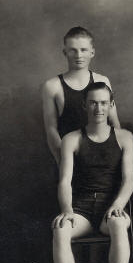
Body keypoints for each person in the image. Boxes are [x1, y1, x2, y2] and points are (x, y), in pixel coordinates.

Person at [52, 82, 133, 263]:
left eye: (103, 103)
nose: (98, 108)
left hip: (112, 207)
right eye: (93, 103)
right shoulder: (71, 139)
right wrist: (67, 209)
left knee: (119, 225)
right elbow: (65, 181)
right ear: (84, 105)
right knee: (60, 229)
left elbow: (128, 180)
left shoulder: (124, 137)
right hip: (82, 208)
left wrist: (118, 204)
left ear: (111, 105)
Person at [42, 26, 120, 166]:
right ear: (65, 52)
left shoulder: (102, 81)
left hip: (103, 159)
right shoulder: (52, 86)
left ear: (92, 52)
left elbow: (114, 121)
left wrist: (117, 156)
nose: (78, 55)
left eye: (83, 50)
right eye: (73, 50)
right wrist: (64, 162)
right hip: (70, 160)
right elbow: (51, 129)